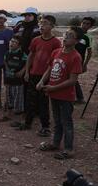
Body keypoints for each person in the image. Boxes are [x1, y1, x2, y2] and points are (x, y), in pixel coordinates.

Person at [36, 27, 83, 160]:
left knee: (66, 122)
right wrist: (41, 81)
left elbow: (73, 80)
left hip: (65, 96)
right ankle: (55, 143)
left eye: (70, 35)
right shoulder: (56, 52)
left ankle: (68, 149)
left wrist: (53, 88)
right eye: (66, 33)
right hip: (54, 94)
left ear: (77, 40)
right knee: (57, 121)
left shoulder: (75, 57)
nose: (66, 36)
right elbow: (50, 68)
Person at [17, 15, 61, 135]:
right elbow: (31, 56)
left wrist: (44, 79)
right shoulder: (36, 40)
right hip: (33, 74)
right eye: (41, 23)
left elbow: (54, 62)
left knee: (43, 102)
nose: (42, 25)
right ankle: (27, 123)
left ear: (52, 26)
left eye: (45, 23)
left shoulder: (56, 42)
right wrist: (27, 71)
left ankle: (45, 126)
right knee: (30, 99)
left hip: (46, 77)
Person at [0, 35, 28, 122]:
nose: (11, 43)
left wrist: (22, 71)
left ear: (19, 45)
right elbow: (5, 61)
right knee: (8, 97)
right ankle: (8, 114)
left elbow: (27, 63)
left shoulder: (22, 54)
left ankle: (19, 118)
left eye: (14, 42)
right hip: (8, 79)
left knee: (18, 98)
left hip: (18, 81)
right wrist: (8, 71)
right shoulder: (7, 53)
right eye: (11, 41)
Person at [75, 17, 96, 104]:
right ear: (81, 23)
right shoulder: (74, 33)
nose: (85, 25)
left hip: (78, 61)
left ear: (90, 26)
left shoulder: (88, 37)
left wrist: (85, 64)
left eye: (88, 24)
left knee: (73, 79)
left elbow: (89, 52)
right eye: (84, 23)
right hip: (68, 58)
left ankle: (80, 98)